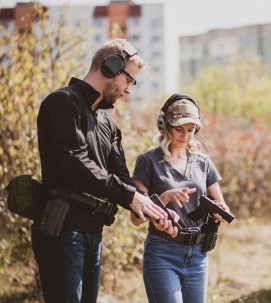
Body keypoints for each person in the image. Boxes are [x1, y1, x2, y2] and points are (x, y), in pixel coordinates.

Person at [32, 38, 172, 303]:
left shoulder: (107, 121)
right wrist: (130, 197)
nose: (129, 90)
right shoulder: (61, 103)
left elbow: (120, 178)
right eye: (129, 80)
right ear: (110, 67)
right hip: (62, 229)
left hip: (93, 232)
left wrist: (152, 208)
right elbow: (75, 163)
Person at [131, 93, 231, 303]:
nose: (186, 136)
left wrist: (219, 212)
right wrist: (165, 197)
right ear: (164, 126)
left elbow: (222, 205)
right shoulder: (147, 161)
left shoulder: (203, 162)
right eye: (179, 129)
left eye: (191, 130)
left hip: (198, 254)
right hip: (162, 252)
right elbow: (136, 219)